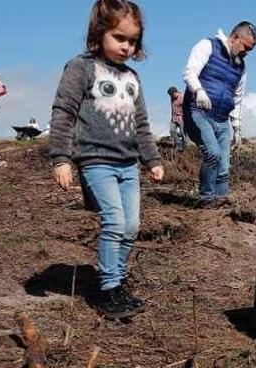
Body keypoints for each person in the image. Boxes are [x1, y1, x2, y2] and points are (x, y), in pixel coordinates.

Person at [49, 0, 165, 320]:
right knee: (113, 221)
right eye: (119, 38)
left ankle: (117, 277)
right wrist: (61, 158)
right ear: (100, 33)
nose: (127, 47)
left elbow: (141, 125)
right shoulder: (81, 67)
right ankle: (108, 289)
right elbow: (64, 112)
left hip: (128, 164)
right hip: (95, 160)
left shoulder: (132, 79)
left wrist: (151, 159)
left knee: (131, 226)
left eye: (133, 41)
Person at [182, 21, 256, 207]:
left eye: (250, 50)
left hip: (222, 119)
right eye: (246, 47)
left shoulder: (241, 68)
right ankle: (206, 201)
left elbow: (238, 98)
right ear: (235, 38)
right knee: (213, 154)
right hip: (198, 112)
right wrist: (199, 91)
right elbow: (190, 73)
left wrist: (237, 127)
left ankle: (222, 206)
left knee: (224, 168)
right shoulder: (208, 46)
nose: (246, 53)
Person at [167, 86, 185, 151]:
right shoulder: (172, 98)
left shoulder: (182, 97)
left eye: (171, 94)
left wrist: (184, 117)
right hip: (174, 118)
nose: (171, 96)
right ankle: (179, 144)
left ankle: (185, 148)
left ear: (175, 92)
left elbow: (186, 108)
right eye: (170, 95)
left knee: (183, 133)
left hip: (182, 118)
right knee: (172, 131)